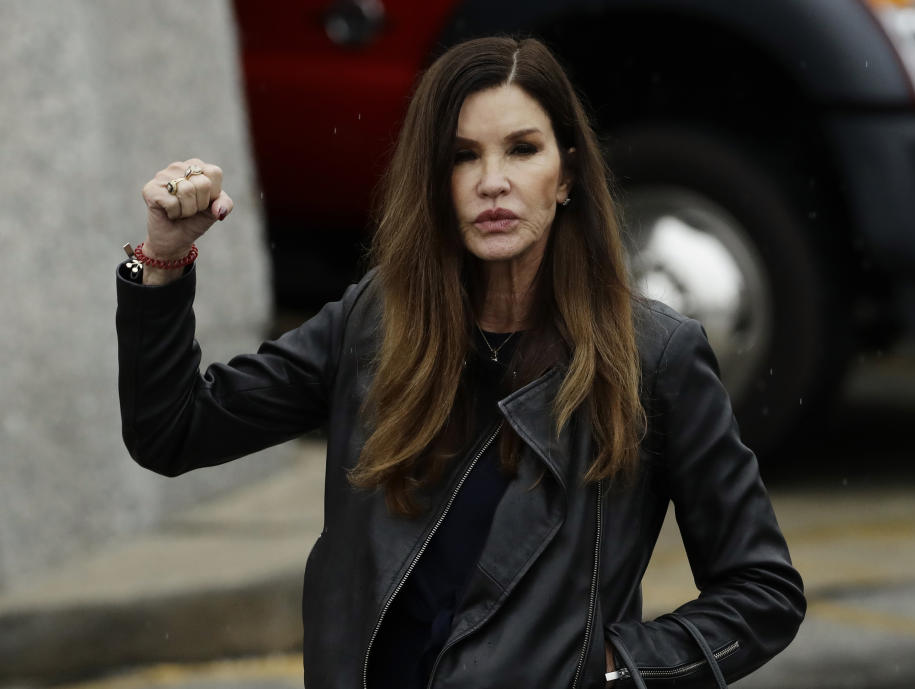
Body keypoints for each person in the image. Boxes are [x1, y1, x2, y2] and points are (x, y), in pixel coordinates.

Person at [117, 37, 804, 689]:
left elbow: (762, 591)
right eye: (463, 156)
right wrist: (166, 257)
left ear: (564, 175)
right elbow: (172, 431)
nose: (493, 181)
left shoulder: (652, 355)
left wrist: (614, 665)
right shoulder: (374, 323)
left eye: (522, 149)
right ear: (436, 181)